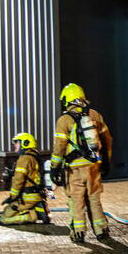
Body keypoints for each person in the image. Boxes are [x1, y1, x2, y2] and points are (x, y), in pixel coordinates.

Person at [50, 83, 112, 242]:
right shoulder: (95, 115)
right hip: (93, 166)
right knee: (94, 198)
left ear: (66, 100)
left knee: (76, 200)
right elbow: (107, 140)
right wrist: (106, 161)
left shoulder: (64, 120)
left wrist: (54, 168)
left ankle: (78, 232)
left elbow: (59, 146)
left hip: (74, 169)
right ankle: (101, 230)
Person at [0, 132, 50, 226]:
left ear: (25, 143)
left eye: (17, 142)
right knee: (7, 210)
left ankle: (32, 216)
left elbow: (18, 180)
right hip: (35, 195)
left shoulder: (24, 158)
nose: (15, 145)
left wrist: (12, 197)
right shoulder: (34, 157)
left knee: (4, 218)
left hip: (27, 197)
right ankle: (35, 209)